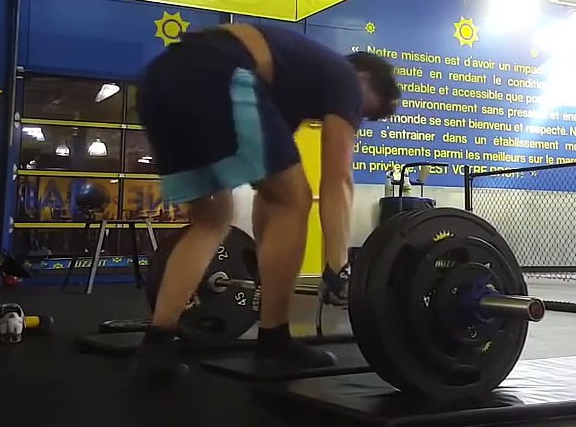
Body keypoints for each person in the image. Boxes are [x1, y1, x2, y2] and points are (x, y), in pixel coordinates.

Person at [135, 23, 400, 377]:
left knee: (212, 220)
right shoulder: (345, 78)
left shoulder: (287, 90)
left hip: (157, 83)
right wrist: (338, 267)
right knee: (297, 199)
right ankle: (274, 342)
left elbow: (268, 193)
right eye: (369, 112)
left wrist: (267, 267)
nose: (361, 119)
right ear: (365, 79)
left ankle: (158, 341)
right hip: (213, 72)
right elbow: (337, 180)